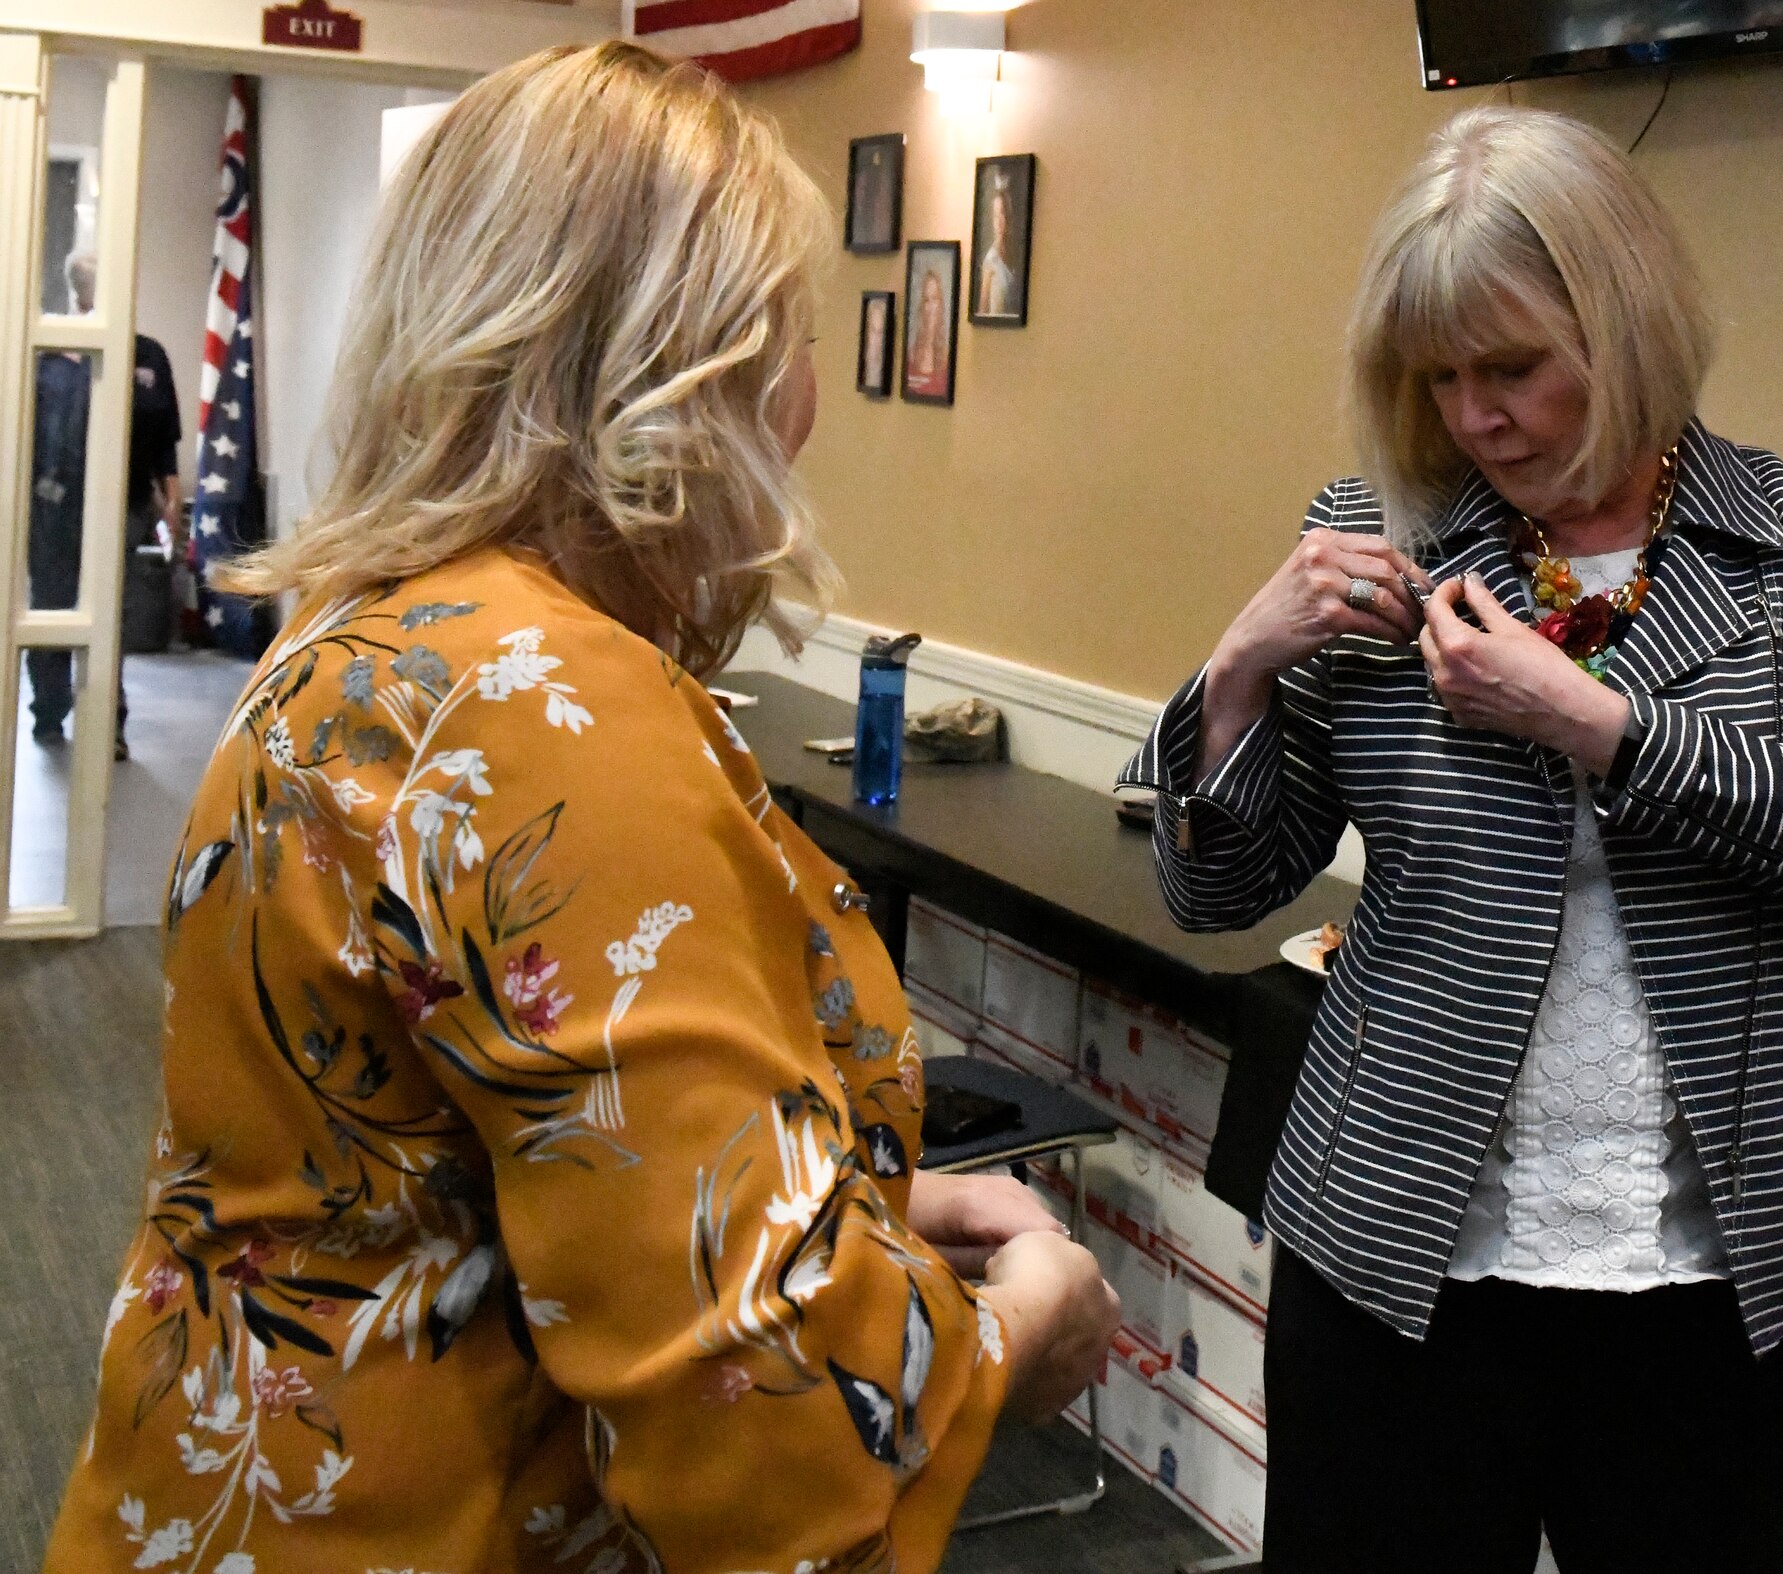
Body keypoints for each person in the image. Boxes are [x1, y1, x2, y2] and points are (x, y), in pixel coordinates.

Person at [46, 44, 1118, 1574]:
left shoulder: (371, 637)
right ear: (693, 369)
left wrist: (842, 1205)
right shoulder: (555, 713)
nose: (807, 406)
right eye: (789, 339)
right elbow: (764, 1447)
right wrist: (1014, 1337)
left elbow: (455, 1164)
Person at [1120, 106, 1783, 1574]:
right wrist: (1239, 663)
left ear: (1624, 327)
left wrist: (1599, 724)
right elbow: (1218, 885)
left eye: (1511, 367)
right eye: (1437, 376)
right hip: (1399, 1261)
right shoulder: (1381, 537)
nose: (1472, 418)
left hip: (1719, 1275)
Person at [26, 251, 181, 759]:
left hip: (126, 503)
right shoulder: (48, 355)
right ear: (82, 297)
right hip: (56, 506)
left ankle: (108, 721)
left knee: (110, 611)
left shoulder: (149, 356)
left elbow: (163, 439)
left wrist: (171, 494)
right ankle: (49, 711)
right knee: (53, 605)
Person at [976, 174, 1016, 317]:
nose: (999, 222)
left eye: (1002, 215)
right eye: (995, 216)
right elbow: (982, 310)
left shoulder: (1014, 255)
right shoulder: (991, 261)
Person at [906, 269, 949, 394]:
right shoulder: (911, 353)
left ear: (941, 305)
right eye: (926, 300)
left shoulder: (947, 357)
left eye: (935, 299)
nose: (930, 307)